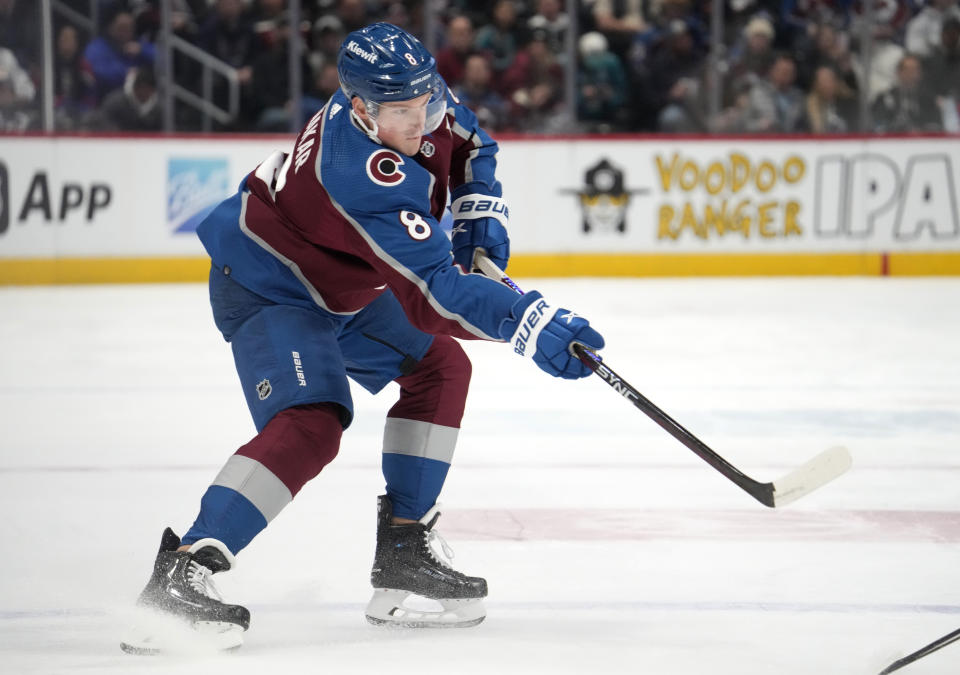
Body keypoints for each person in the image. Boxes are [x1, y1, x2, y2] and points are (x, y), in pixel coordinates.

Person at [121, 22, 605, 654]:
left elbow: (471, 141)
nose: (422, 121)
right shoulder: (360, 172)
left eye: (425, 102)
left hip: (342, 287)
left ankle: (405, 547)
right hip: (271, 283)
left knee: (440, 370)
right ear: (360, 110)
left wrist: (477, 207)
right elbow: (432, 297)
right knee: (313, 421)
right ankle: (184, 571)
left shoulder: (412, 97)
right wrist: (528, 320)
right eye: (403, 113)